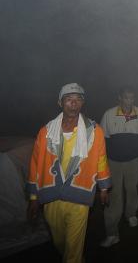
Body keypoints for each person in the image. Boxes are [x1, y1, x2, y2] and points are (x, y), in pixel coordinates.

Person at [27, 83, 111, 263]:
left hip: (80, 194)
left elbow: (101, 159)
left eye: (78, 99)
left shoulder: (94, 132)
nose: (74, 103)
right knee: (60, 242)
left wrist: (104, 187)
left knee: (73, 250)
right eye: (69, 99)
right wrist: (33, 198)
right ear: (60, 102)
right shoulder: (46, 132)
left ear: (83, 103)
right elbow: (35, 164)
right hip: (52, 196)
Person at [100, 86, 138, 247]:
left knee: (132, 188)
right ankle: (112, 233)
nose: (129, 101)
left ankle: (131, 214)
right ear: (120, 98)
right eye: (126, 98)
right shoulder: (109, 115)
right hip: (113, 161)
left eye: (131, 98)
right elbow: (101, 140)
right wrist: (100, 162)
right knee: (115, 194)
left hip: (134, 159)